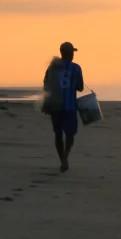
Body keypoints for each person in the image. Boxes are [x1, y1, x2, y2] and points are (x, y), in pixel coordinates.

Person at [43, 41, 84, 173]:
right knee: (70, 134)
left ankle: (63, 159)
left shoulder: (52, 67)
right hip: (70, 106)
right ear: (70, 53)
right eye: (72, 52)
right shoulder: (76, 68)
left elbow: (46, 85)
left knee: (58, 134)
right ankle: (65, 156)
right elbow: (80, 87)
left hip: (55, 105)